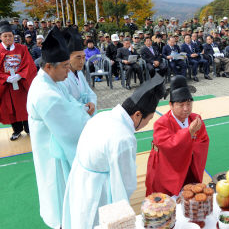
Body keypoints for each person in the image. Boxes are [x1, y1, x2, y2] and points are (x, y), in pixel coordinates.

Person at [62, 74, 165, 229]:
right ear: (137, 115)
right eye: (148, 119)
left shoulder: (102, 115)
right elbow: (123, 183)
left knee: (79, 219)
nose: (147, 124)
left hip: (79, 179)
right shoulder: (123, 138)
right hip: (98, 191)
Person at [27, 26, 91, 228]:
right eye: (64, 66)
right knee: (59, 197)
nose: (68, 70)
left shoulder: (53, 81)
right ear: (48, 67)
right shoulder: (45, 94)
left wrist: (82, 108)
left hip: (58, 147)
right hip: (54, 154)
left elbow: (73, 106)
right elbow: (72, 126)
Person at [146, 75, 209, 196]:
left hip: (189, 167)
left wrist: (189, 147)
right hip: (166, 167)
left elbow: (203, 141)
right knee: (164, 200)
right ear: (171, 105)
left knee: (190, 193)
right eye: (181, 105)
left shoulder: (195, 119)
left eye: (189, 104)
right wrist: (188, 134)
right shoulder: (161, 123)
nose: (186, 109)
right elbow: (167, 144)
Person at [0, 21, 37, 140]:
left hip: (21, 84)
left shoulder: (22, 48)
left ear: (13, 36)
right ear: (1, 37)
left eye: (10, 36)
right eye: (5, 36)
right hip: (7, 86)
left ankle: (28, 128)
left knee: (25, 106)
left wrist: (20, 75)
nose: (8, 38)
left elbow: (29, 65)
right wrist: (6, 78)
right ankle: (16, 130)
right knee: (10, 108)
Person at [62, 28, 97, 116]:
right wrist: (84, 108)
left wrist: (92, 103)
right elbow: (67, 103)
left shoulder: (79, 73)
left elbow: (90, 92)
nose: (82, 61)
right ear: (68, 57)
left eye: (84, 57)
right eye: (78, 57)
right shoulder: (62, 78)